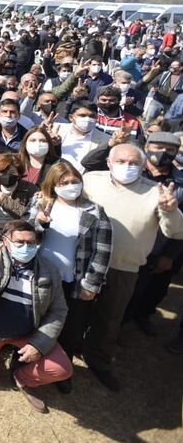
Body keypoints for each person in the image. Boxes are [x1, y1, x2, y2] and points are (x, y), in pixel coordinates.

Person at [80, 143, 183, 391]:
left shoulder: (156, 192)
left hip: (123, 266)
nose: (127, 166)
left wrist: (171, 211)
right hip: (85, 261)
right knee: (76, 311)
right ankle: (68, 350)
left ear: (143, 165)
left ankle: (99, 360)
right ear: (109, 163)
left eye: (134, 163)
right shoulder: (91, 180)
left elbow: (176, 231)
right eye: (121, 161)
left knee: (111, 316)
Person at [0, 220, 73, 413]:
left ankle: (22, 376)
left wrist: (39, 344)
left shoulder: (49, 270)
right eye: (19, 242)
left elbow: (58, 310)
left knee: (62, 369)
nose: (26, 247)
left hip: (26, 333)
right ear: (6, 241)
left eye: (31, 243)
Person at [27, 161, 112, 393]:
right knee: (35, 319)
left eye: (75, 181)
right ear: (53, 184)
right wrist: (39, 224)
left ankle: (61, 368)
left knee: (71, 327)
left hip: (73, 281)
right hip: (39, 276)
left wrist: (92, 283)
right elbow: (24, 233)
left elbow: (102, 250)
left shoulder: (94, 211)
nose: (71, 186)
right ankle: (27, 359)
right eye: (64, 182)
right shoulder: (41, 202)